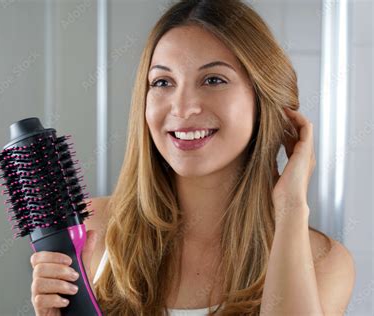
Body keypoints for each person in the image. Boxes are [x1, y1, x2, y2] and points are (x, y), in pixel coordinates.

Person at [30, 0, 355, 315]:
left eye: (213, 80)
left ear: (265, 102)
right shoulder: (94, 232)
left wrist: (291, 207)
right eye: (162, 82)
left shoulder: (322, 262)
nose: (183, 107)